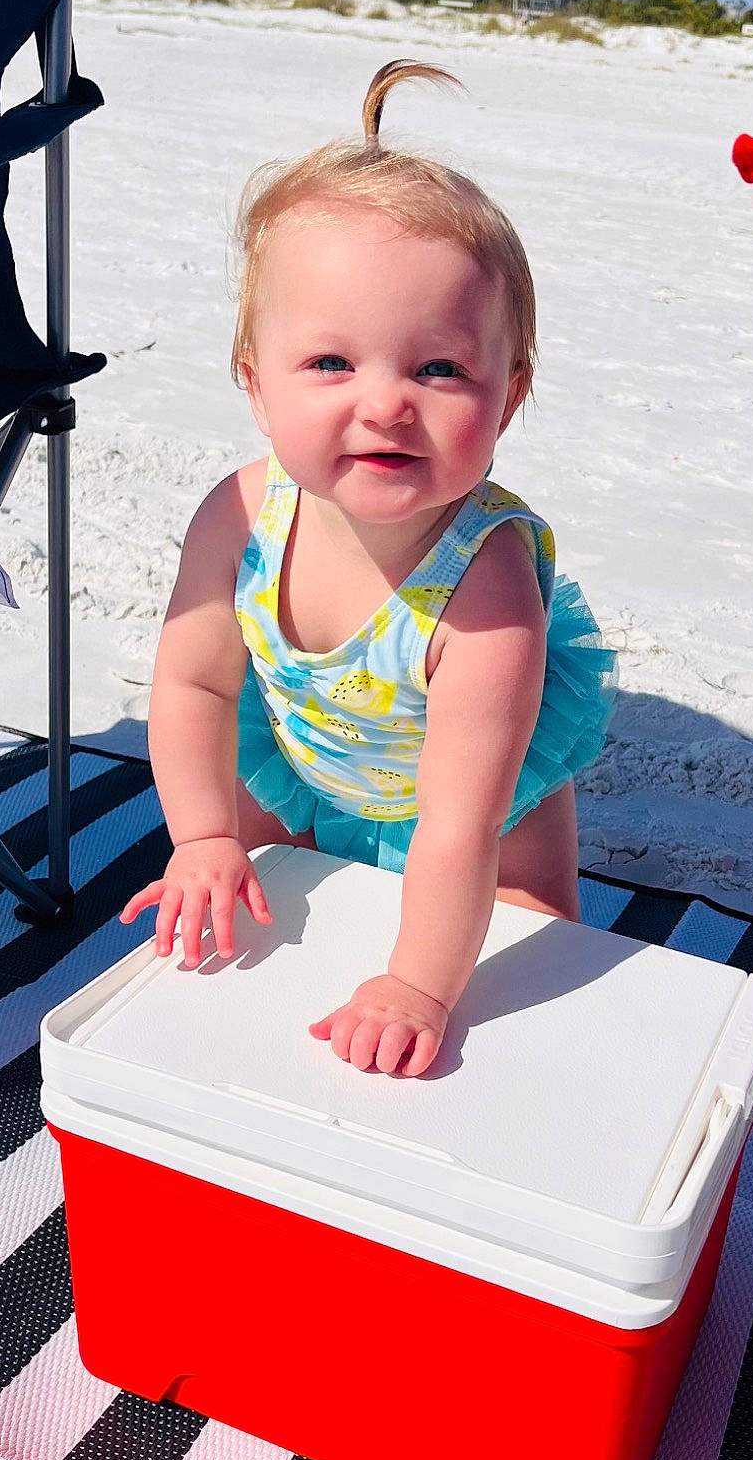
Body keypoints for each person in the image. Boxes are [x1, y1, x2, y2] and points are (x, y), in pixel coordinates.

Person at [122, 59, 615, 1078]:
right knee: (254, 900)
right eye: (332, 363)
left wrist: (418, 984)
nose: (387, 402)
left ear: (508, 395)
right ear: (256, 385)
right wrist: (202, 836)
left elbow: (457, 820)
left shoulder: (488, 588)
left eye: (439, 368)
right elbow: (195, 679)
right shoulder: (242, 512)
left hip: (476, 804)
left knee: (532, 942)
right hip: (307, 750)